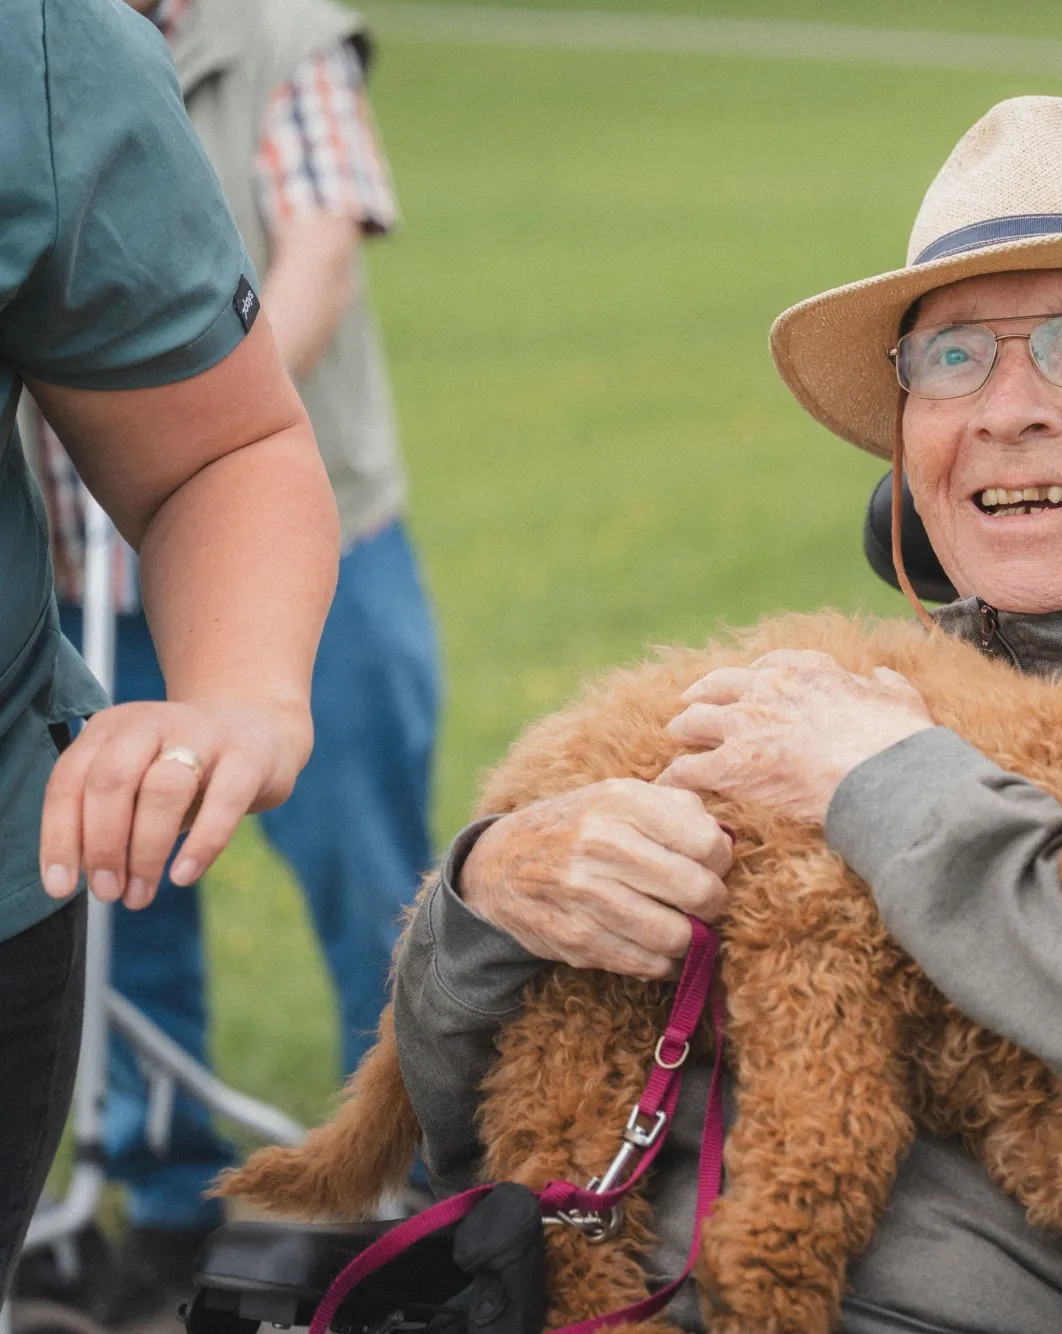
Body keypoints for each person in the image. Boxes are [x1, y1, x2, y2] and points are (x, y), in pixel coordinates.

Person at [394, 96, 1062, 1333]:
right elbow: (444, 1141)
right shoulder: (801, 696)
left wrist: (886, 779)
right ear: (908, 443)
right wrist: (485, 904)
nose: (1008, 409)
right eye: (952, 358)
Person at [17, 0, 437, 1314]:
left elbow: (320, 246)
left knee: (367, 879)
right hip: (91, 574)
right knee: (130, 885)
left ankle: (417, 1172)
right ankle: (166, 1192)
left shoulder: (281, 37)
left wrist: (162, 360)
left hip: (313, 550)